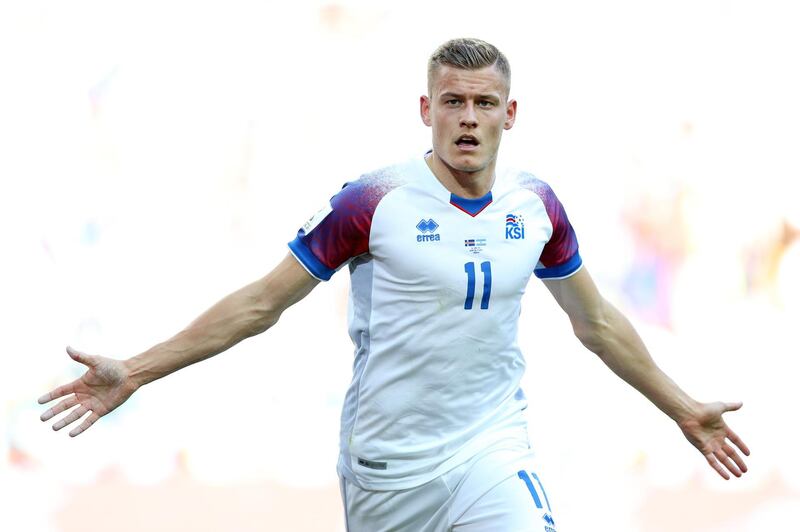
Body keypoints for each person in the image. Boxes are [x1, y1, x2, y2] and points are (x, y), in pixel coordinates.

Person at [39, 38, 749, 531]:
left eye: (482, 102)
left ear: (510, 113)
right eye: (452, 102)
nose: (466, 118)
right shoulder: (372, 201)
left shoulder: (537, 206)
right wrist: (135, 370)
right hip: (387, 470)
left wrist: (682, 408)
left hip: (492, 451)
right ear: (425, 109)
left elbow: (596, 323)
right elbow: (260, 304)